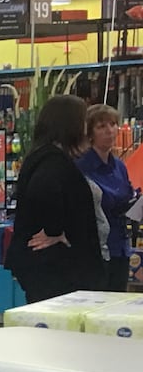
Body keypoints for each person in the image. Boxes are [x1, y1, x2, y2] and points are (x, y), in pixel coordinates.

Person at [6, 95, 107, 303]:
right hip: (56, 270)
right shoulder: (54, 161)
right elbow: (44, 191)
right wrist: (56, 231)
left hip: (45, 266)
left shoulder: (41, 156)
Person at [78, 105, 141, 291]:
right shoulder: (82, 167)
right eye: (102, 126)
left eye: (113, 124)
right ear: (90, 133)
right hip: (97, 250)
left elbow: (128, 196)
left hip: (121, 245)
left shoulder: (120, 166)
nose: (110, 131)